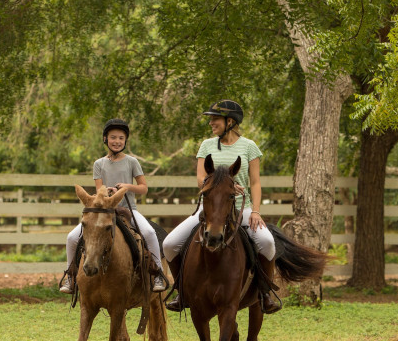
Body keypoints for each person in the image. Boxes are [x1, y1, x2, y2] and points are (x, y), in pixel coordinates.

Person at [162, 100, 280, 313]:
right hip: (208, 209)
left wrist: (255, 211)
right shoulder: (206, 145)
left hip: (241, 209)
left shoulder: (249, 146)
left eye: (215, 119)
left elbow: (255, 182)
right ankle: (181, 291)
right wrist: (224, 187)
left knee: (267, 242)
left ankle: (264, 293)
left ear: (230, 121)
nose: (211, 123)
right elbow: (200, 180)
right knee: (170, 244)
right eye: (211, 119)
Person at [60, 118, 168, 294]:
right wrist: (108, 192)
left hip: (129, 210)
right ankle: (70, 277)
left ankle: (158, 274)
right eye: (113, 137)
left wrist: (127, 187)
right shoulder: (99, 164)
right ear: (105, 139)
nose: (117, 141)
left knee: (148, 232)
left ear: (125, 141)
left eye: (121, 138)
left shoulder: (132, 162)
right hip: (105, 211)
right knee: (72, 238)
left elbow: (143, 188)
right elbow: (99, 191)